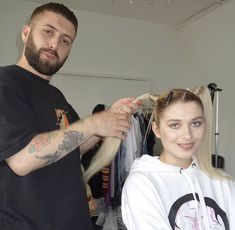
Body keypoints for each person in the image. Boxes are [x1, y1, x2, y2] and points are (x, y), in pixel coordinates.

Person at [0, 2, 140, 230]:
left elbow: (74, 145)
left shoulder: (55, 95)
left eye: (66, 40)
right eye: (48, 32)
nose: (55, 44)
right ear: (26, 34)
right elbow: (21, 160)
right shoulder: (6, 82)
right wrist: (92, 123)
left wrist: (107, 120)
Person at [121, 85, 235, 230]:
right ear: (156, 130)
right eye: (175, 125)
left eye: (195, 123)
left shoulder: (223, 183)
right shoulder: (143, 184)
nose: (187, 135)